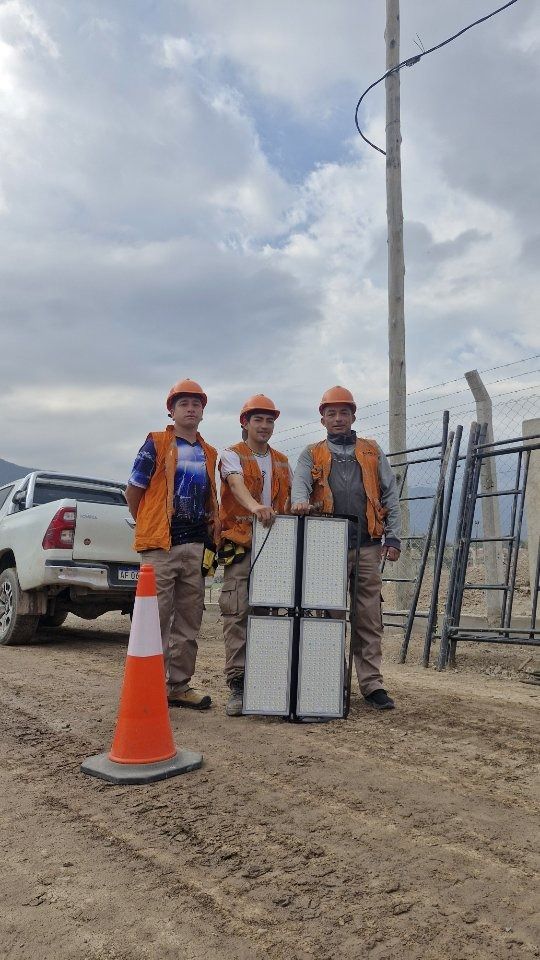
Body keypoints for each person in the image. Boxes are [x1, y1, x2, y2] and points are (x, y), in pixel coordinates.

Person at [291, 386, 401, 710]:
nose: (338, 418)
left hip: (366, 544)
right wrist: (299, 501)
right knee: (329, 615)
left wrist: (392, 537)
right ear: (322, 418)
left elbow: (389, 494)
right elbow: (301, 484)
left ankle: (371, 685)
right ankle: (329, 680)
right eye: (331, 413)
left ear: (353, 416)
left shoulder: (371, 450)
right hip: (327, 545)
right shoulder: (312, 453)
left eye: (344, 412)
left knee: (368, 616)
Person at [126, 378, 219, 710]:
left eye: (197, 404)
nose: (191, 408)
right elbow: (134, 491)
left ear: (203, 411)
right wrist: (149, 526)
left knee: (188, 621)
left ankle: (178, 686)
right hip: (160, 548)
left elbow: (210, 498)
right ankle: (146, 686)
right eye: (184, 403)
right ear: (172, 409)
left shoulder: (209, 452)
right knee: (153, 619)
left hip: (195, 547)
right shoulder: (156, 442)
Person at [218, 395, 292, 716]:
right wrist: (255, 507)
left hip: (275, 547)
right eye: (258, 420)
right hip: (242, 544)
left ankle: (268, 681)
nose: (264, 426)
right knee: (238, 611)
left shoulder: (282, 461)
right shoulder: (231, 455)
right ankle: (239, 683)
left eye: (269, 420)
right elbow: (235, 486)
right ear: (245, 423)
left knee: (274, 613)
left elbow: (289, 501)